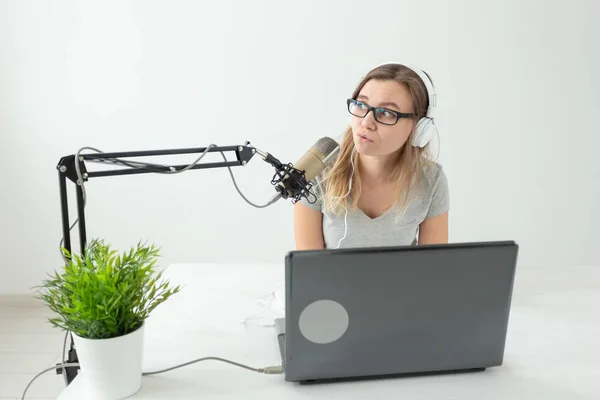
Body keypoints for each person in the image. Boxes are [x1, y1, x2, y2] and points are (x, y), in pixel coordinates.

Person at [293, 62, 449, 250]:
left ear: (418, 129)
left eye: (385, 113)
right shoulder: (318, 168)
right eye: (361, 105)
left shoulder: (431, 180)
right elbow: (309, 270)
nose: (366, 123)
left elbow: (433, 270)